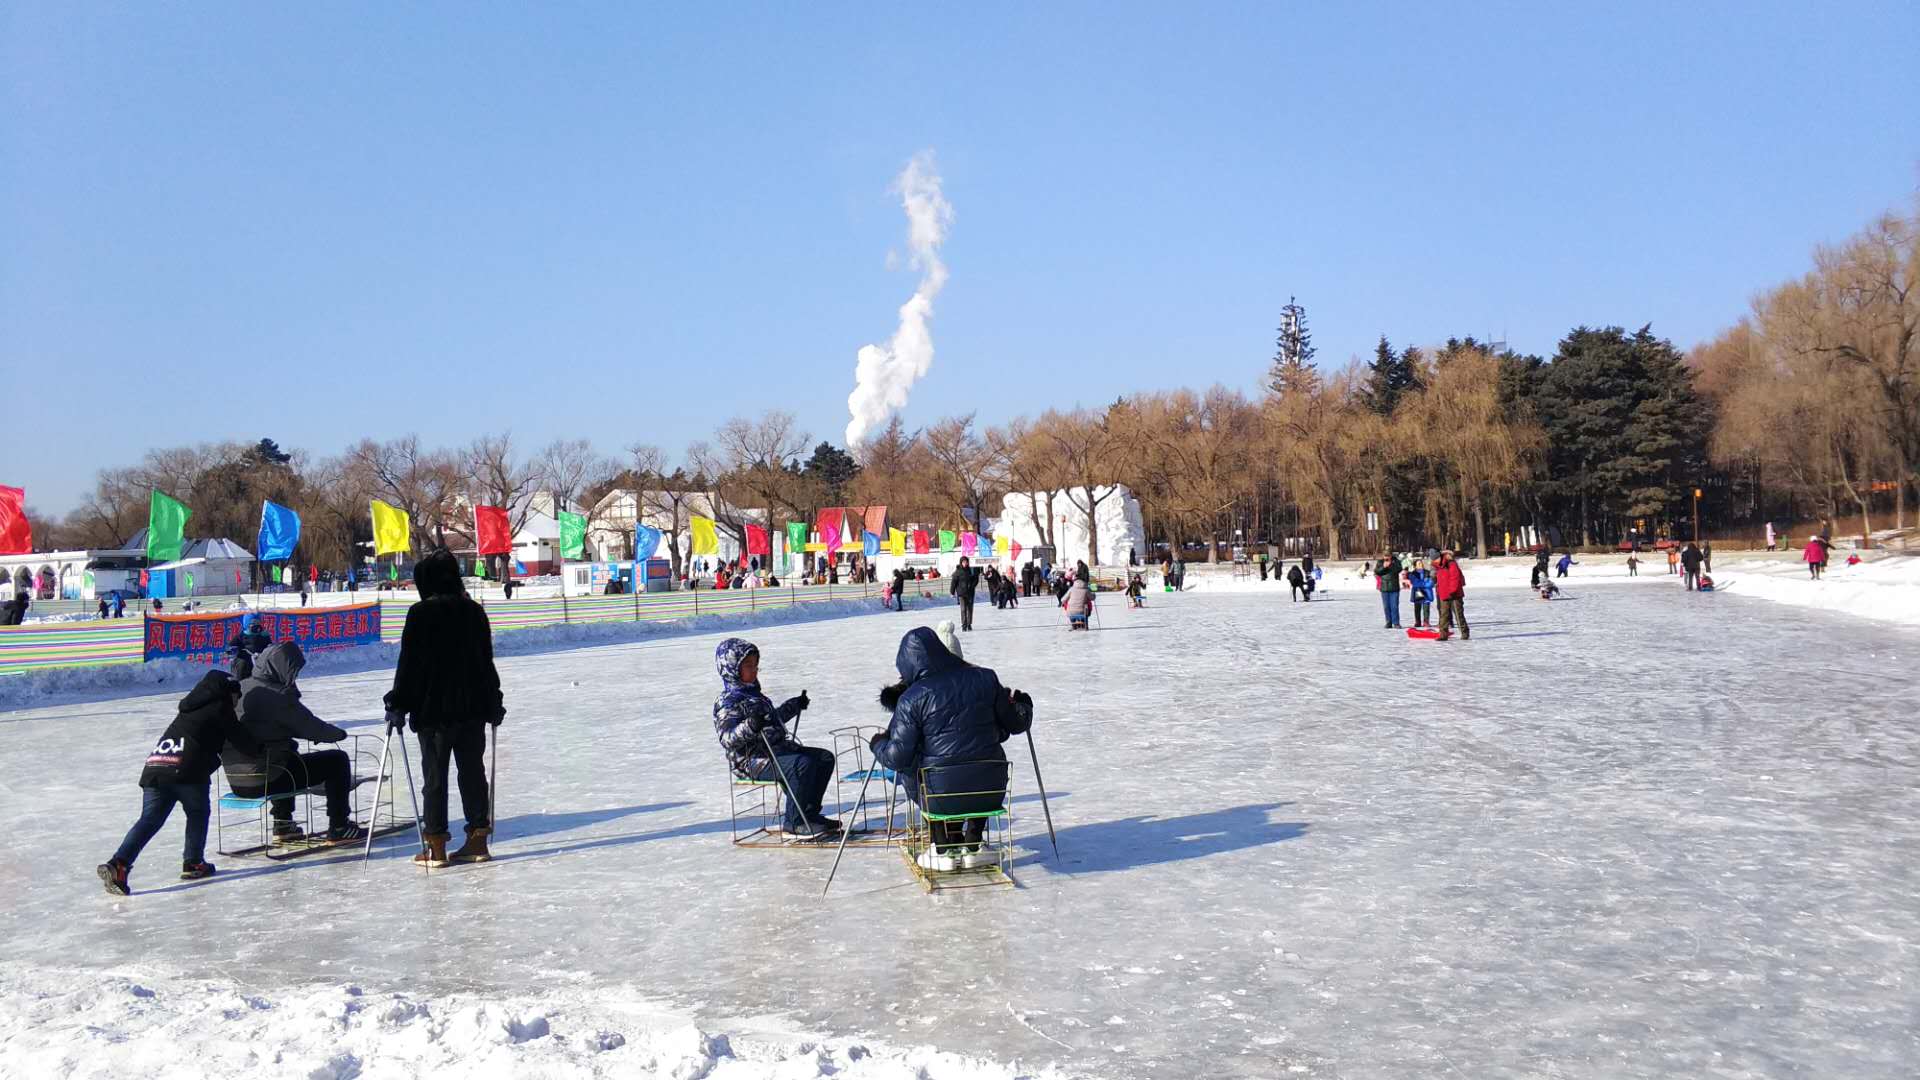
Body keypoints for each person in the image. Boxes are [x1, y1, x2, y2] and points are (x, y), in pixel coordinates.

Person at [870, 626, 1032, 871]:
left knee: (920, 767)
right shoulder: (986, 678)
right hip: (990, 788)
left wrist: (878, 744)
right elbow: (1015, 723)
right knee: (975, 763)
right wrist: (1023, 707)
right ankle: (974, 844)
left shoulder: (912, 698)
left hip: (941, 794)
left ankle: (943, 848)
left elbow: (897, 757)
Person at [384, 549, 503, 866]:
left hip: (434, 712)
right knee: (473, 774)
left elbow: (410, 666)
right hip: (473, 708)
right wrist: (494, 701)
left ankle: (435, 845)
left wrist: (398, 702)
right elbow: (484, 663)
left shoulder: (420, 613)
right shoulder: (474, 612)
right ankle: (478, 840)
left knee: (434, 779)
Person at [97, 672, 262, 896]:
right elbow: (243, 741)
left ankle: (119, 864)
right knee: (197, 812)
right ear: (228, 692)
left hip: (156, 767)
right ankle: (193, 862)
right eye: (236, 696)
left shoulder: (190, 708)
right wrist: (266, 749)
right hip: (187, 771)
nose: (236, 701)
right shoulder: (220, 708)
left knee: (149, 820)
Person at [226, 642, 364, 843]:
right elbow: (308, 726)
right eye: (293, 670)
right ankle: (339, 825)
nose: (295, 676)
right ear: (281, 667)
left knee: (285, 753)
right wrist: (338, 734)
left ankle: (283, 824)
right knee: (337, 760)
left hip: (237, 779)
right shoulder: (276, 695)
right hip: (265, 779)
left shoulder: (243, 686)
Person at [712, 637, 838, 839]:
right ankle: (794, 824)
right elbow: (727, 738)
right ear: (732, 668)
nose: (754, 670)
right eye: (748, 665)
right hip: (751, 760)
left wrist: (793, 706)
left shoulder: (755, 695)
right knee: (800, 765)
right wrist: (750, 726)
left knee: (824, 758)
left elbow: (772, 720)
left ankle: (808, 815)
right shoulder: (728, 701)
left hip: (776, 750)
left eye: (756, 665)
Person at [1433, 549, 1470, 641]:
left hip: (1455, 594)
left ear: (1440, 557)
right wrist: (1439, 591)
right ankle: (1443, 634)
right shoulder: (1438, 566)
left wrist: (1452, 591)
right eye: (1434, 560)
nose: (1435, 561)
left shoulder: (1451, 563)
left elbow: (1455, 577)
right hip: (1443, 593)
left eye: (1436, 559)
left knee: (1458, 614)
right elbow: (1439, 580)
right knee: (1444, 615)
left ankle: (1464, 632)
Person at [226, 615, 272, 680]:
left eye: (258, 623)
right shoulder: (240, 636)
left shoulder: (264, 636)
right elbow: (230, 648)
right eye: (253, 623)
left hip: (260, 660)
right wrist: (233, 652)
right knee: (242, 664)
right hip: (245, 662)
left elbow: (270, 647)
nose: (256, 625)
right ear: (247, 624)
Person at [1374, 552, 1404, 629]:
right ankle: (1388, 622)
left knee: (1394, 606)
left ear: (1391, 556)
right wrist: (1383, 567)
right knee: (1386, 606)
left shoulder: (1396, 561)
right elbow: (1377, 572)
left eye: (1388, 556)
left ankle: (1396, 622)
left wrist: (1390, 565)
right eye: (1385, 556)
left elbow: (1399, 569)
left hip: (1394, 587)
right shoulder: (1380, 562)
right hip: (1384, 587)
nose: (1386, 557)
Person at [950, 556, 980, 631]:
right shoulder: (957, 572)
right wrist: (952, 592)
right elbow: (954, 582)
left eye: (966, 562)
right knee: (963, 609)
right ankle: (964, 625)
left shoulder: (971, 571)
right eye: (963, 562)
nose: (965, 563)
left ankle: (969, 624)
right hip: (961, 593)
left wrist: (972, 586)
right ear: (961, 563)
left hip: (970, 593)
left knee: (970, 609)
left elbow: (976, 579)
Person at [1406, 559, 1433, 627]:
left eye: (1421, 563)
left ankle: (1426, 621)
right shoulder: (1413, 574)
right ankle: (1418, 621)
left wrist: (1424, 584)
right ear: (1415, 566)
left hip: (1427, 592)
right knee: (1417, 608)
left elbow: (1431, 583)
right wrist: (1424, 584)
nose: (1420, 565)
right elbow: (1415, 583)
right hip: (1418, 591)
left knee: (1426, 608)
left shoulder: (1428, 572)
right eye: (1418, 564)